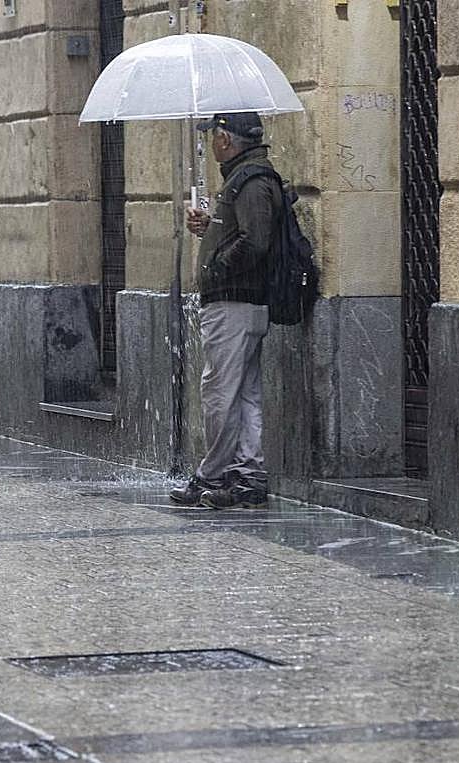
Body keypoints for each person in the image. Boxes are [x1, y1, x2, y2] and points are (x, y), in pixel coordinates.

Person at [169, 111, 284, 511]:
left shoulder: (250, 180)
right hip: (243, 302)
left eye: (215, 135)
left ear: (226, 139)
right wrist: (211, 229)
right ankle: (249, 476)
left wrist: (216, 264)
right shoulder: (246, 176)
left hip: (234, 302)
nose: (212, 142)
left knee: (219, 391)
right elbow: (243, 233)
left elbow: (254, 242)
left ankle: (212, 474)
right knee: (245, 392)